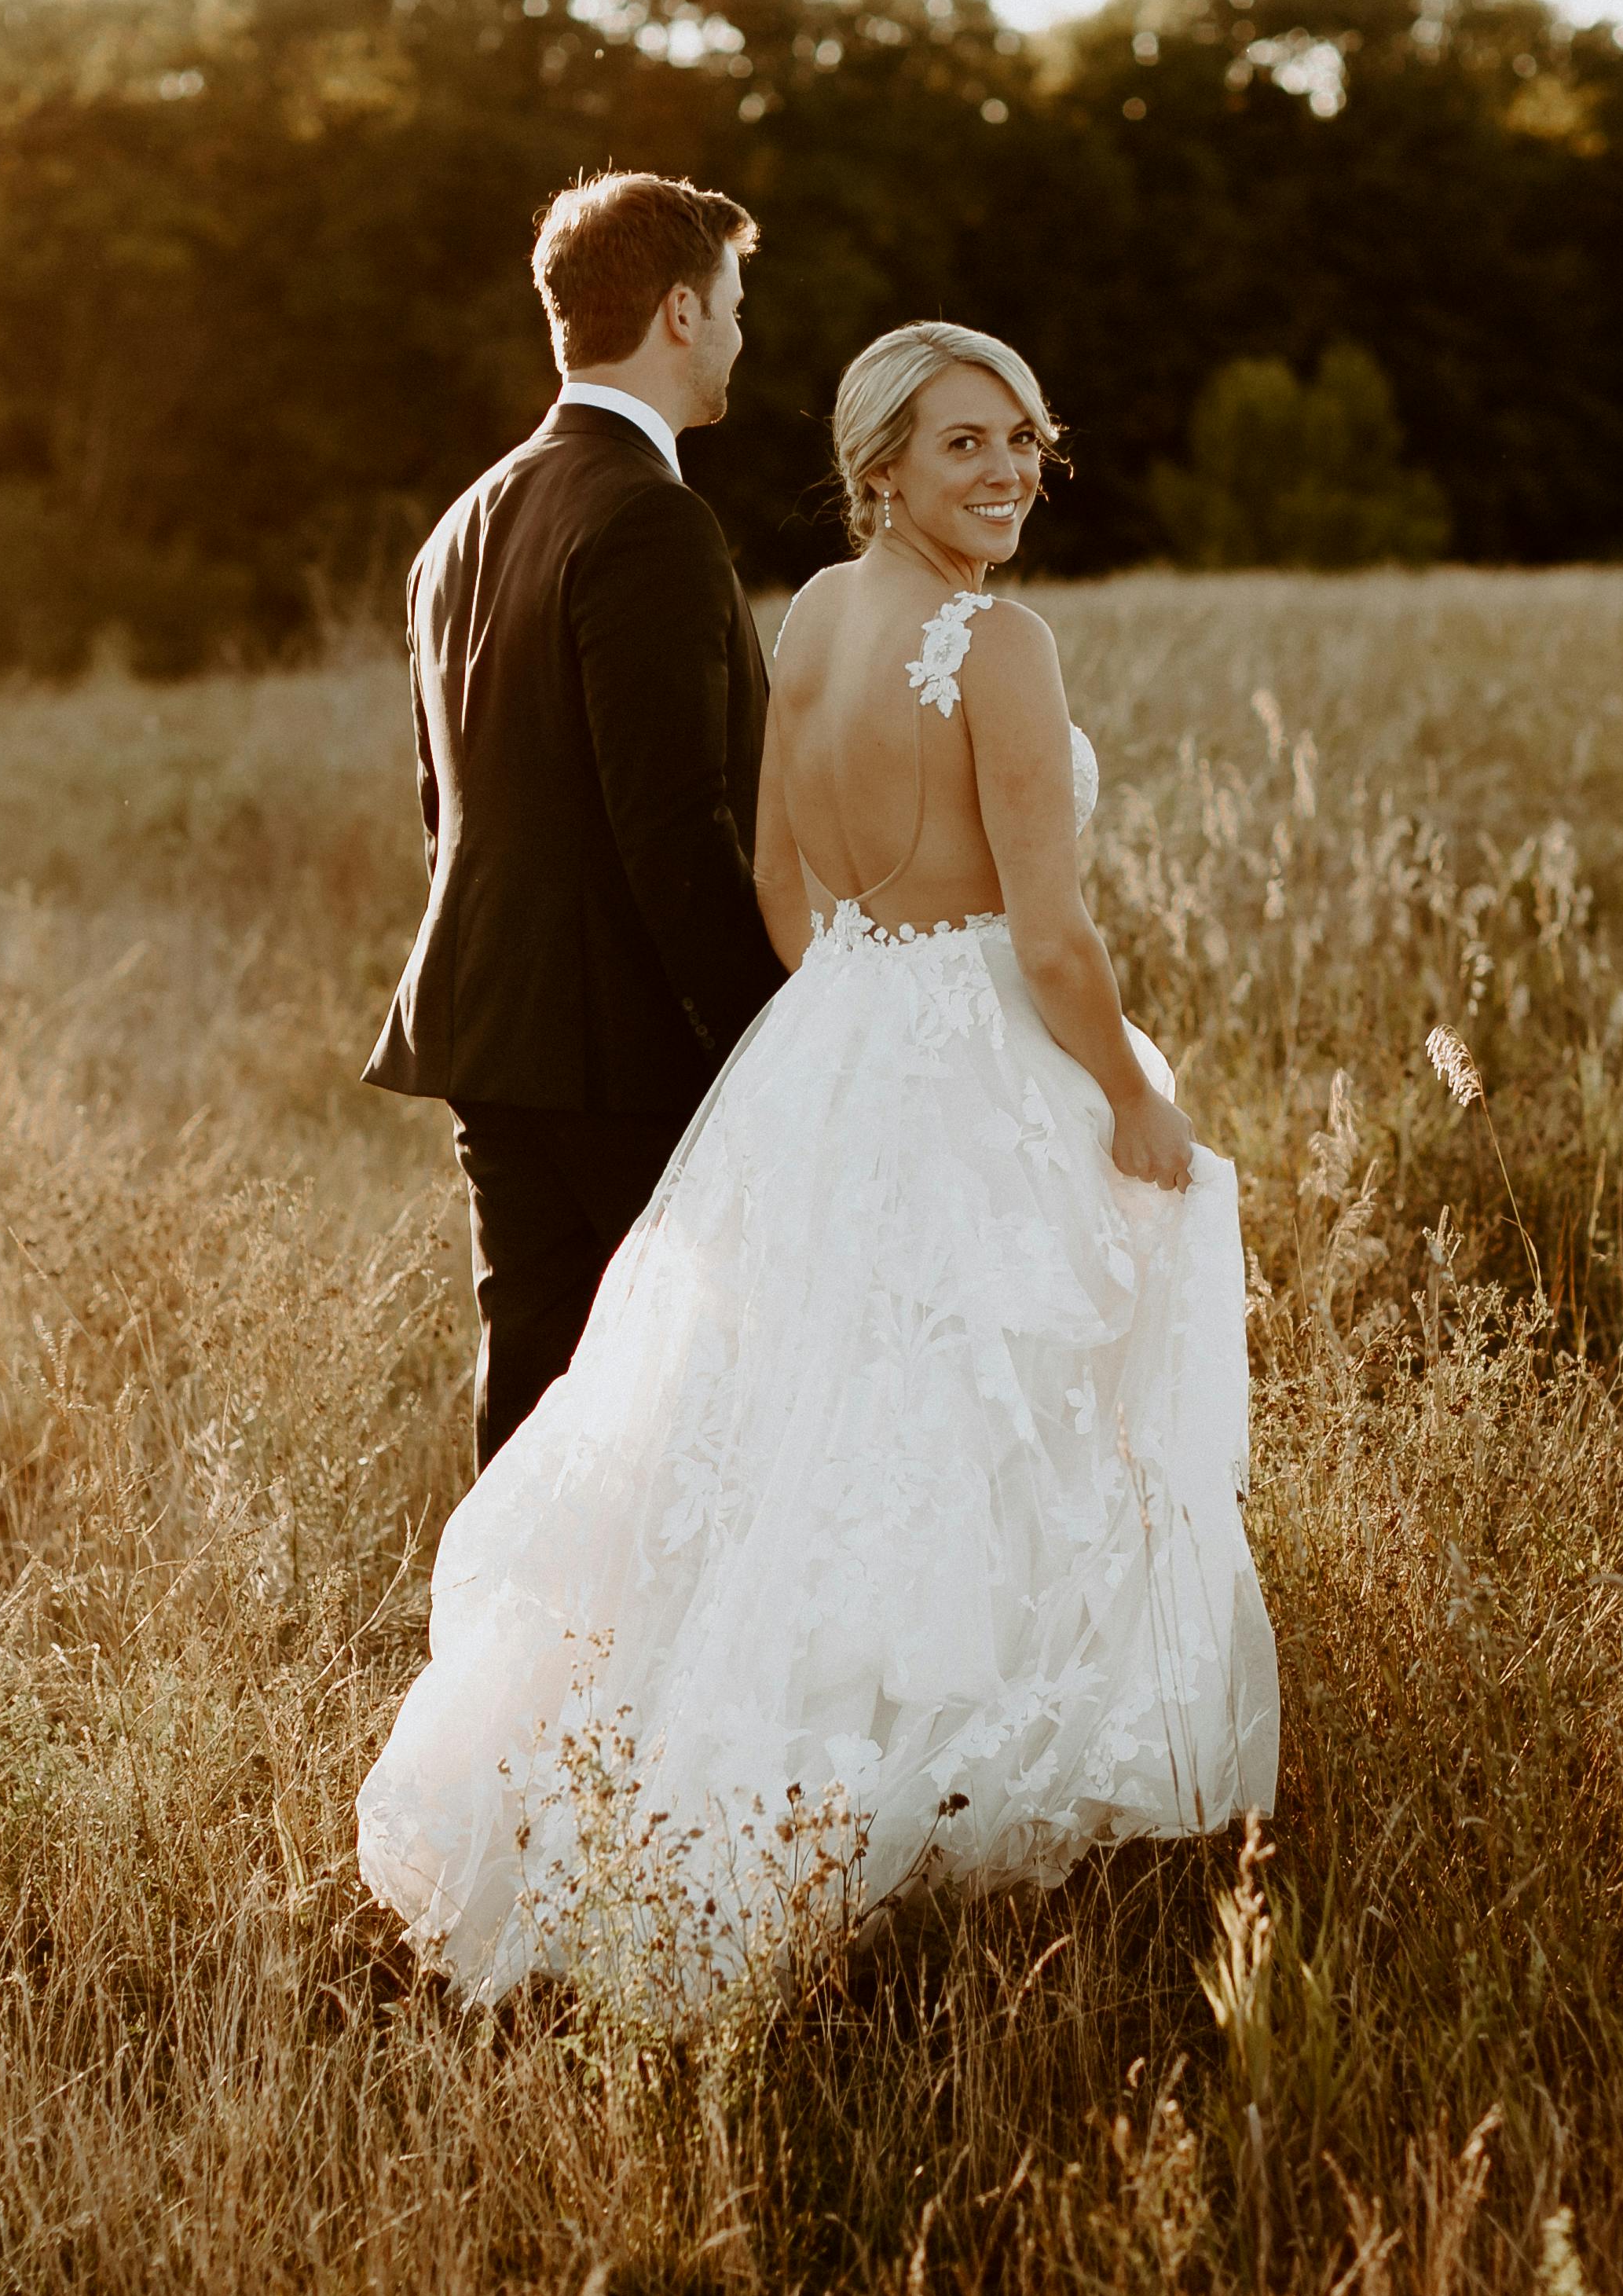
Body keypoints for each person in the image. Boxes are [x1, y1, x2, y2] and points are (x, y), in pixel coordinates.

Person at [357, 321, 1278, 2013]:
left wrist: (848, 1026)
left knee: (792, 1428)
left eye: (1022, 438)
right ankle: (927, 1789)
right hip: (979, 1046)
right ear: (882, 471)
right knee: (987, 1420)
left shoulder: (820, 614)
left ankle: (729, 1776)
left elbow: (781, 878)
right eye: (962, 447)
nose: (1006, 471)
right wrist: (1127, 1100)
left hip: (833, 1040)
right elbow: (1055, 936)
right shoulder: (1000, 644)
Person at [365, 172, 791, 1468]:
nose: (736, 336)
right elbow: (673, 824)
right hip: (627, 1051)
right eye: (728, 307)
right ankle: (636, 1670)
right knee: (687, 1401)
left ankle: (512, 1665)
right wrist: (765, 1041)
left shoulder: (462, 523)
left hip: (493, 1031)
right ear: (676, 310)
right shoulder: (650, 518)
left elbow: (447, 806)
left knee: (538, 1391)